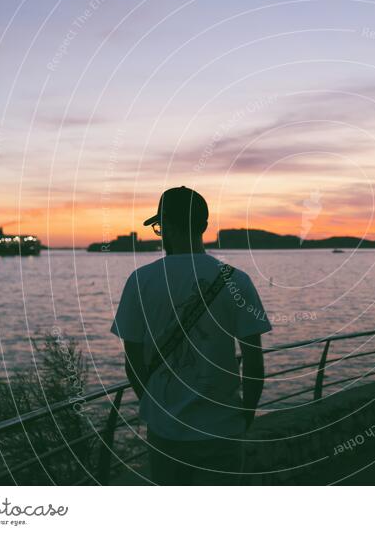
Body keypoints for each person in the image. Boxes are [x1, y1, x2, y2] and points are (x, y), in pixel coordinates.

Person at [110, 186, 271, 485]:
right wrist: (244, 416)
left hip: (165, 432)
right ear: (204, 226)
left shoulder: (140, 281)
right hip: (222, 429)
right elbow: (253, 364)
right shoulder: (237, 280)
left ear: (166, 226)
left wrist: (157, 407)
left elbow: (132, 362)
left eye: (159, 226)